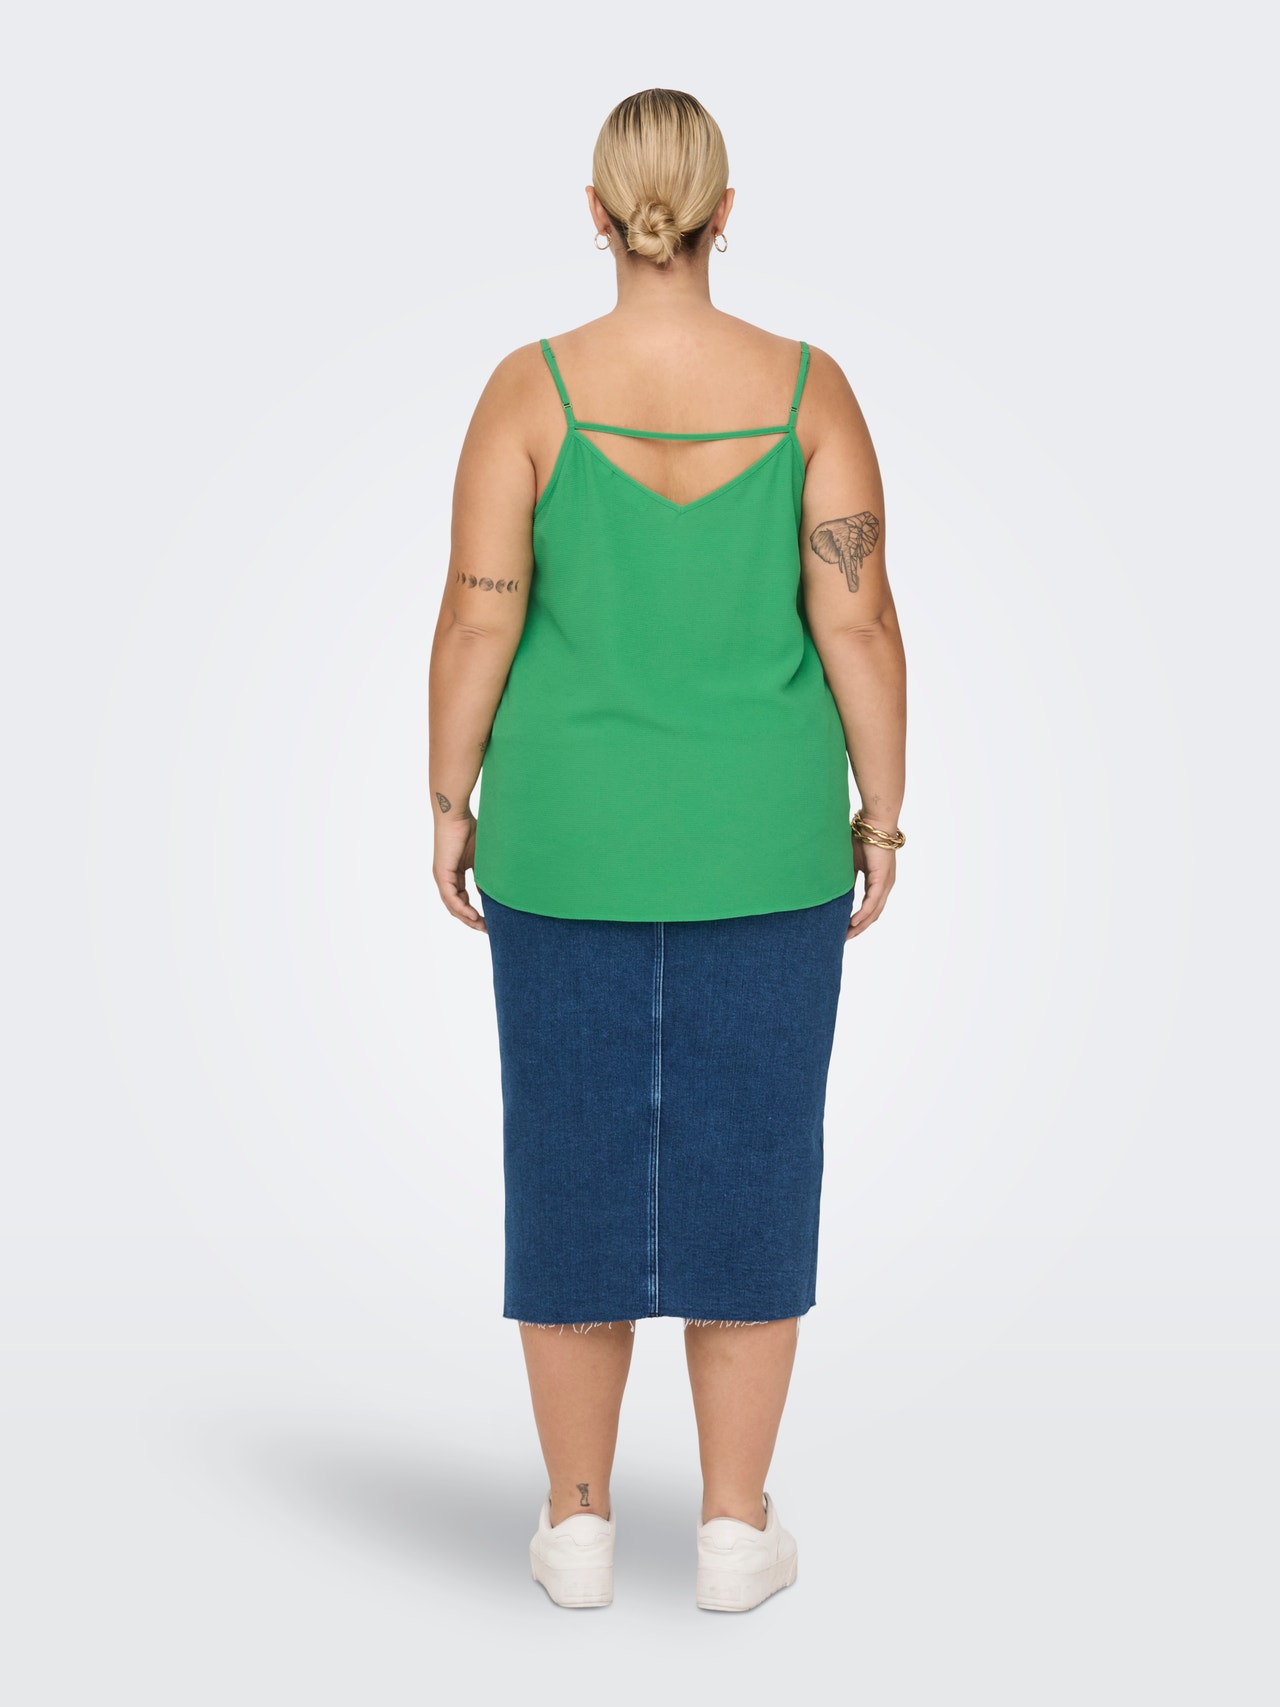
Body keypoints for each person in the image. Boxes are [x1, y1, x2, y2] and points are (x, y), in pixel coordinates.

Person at [427, 88, 907, 1613]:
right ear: (723, 213)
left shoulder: (528, 393)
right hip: (766, 851)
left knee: (568, 1164)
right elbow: (858, 622)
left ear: (596, 211)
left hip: (564, 848)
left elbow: (478, 620)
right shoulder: (809, 393)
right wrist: (881, 814)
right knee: (753, 1167)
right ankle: (732, 1530)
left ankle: (577, 1527)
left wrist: (448, 800)